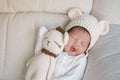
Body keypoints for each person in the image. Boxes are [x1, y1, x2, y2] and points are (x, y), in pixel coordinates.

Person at [51, 8, 109, 80]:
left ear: (87, 48)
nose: (77, 44)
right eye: (74, 38)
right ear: (66, 34)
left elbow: (73, 76)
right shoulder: (56, 46)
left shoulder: (80, 60)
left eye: (83, 44)